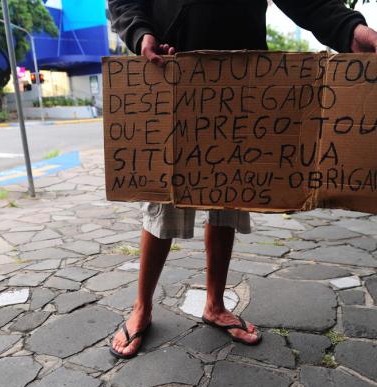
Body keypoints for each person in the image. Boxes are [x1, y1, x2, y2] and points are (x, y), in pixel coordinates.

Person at [108, 0, 377, 359]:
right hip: (172, 70)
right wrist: (141, 33)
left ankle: (215, 304)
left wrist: (349, 29)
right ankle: (142, 306)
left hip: (242, 79)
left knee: (228, 199)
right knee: (163, 200)